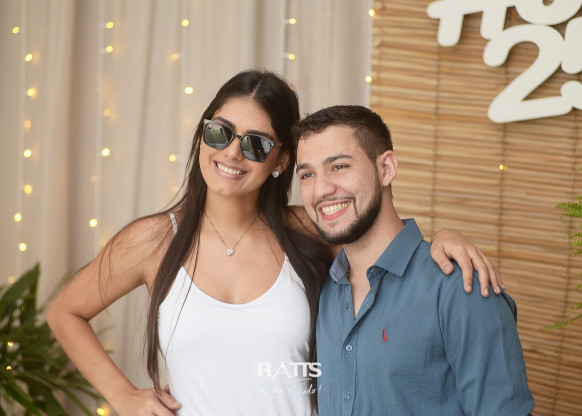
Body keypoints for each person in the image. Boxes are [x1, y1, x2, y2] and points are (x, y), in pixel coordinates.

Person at [48, 70, 501, 416]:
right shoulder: (152, 240)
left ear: (282, 160)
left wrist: (445, 237)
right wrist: (122, 395)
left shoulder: (310, 228)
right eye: (219, 132)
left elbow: (383, 239)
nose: (231, 153)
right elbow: (64, 311)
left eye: (257, 145)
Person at [294, 105, 535, 416]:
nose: (320, 189)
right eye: (307, 175)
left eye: (339, 166)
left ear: (386, 169)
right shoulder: (323, 288)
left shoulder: (460, 287)